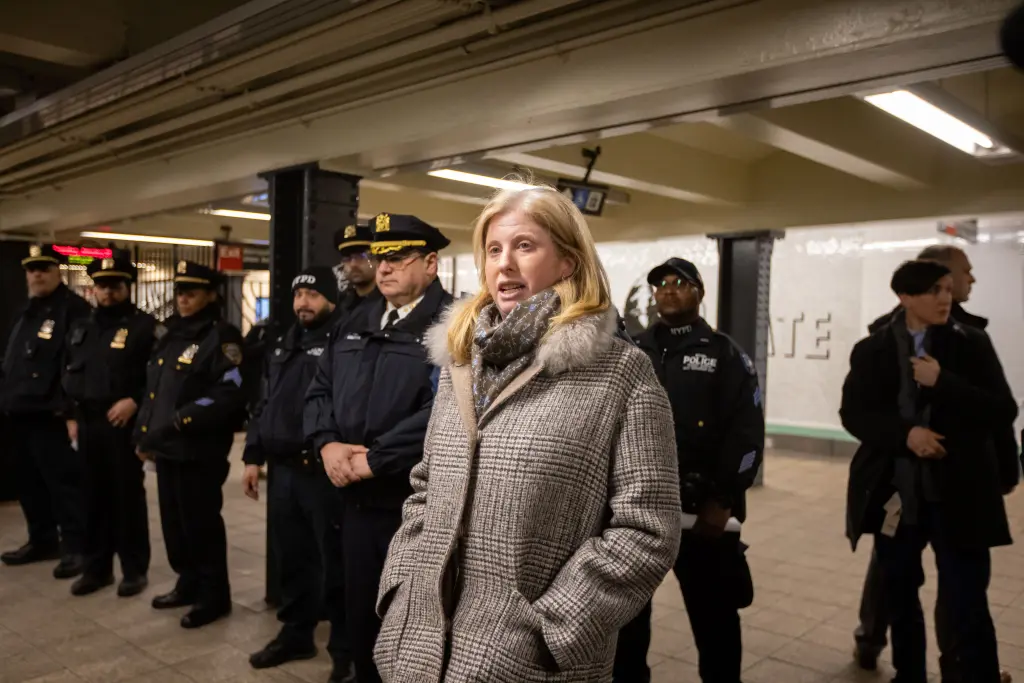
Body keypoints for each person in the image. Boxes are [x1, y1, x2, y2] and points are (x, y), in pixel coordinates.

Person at [373, 189, 683, 682]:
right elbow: (425, 489)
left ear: (567, 261)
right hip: (420, 650)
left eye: (524, 246)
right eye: (494, 250)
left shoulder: (620, 373)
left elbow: (647, 531)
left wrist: (551, 630)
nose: (504, 264)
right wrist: (401, 592)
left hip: (529, 663)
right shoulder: (460, 363)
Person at [842, 260, 1018, 683]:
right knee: (900, 593)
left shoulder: (970, 343)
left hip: (959, 493)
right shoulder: (874, 349)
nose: (945, 298)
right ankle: (910, 674)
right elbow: (854, 413)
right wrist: (906, 435)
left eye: (946, 289)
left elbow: (1003, 409)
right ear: (904, 297)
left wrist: (944, 382)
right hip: (896, 496)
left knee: (966, 598)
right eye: (933, 291)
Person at [305, 213, 454, 683]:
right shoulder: (356, 320)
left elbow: (446, 410)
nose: (384, 268)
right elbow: (319, 390)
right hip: (353, 500)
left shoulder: (454, 323)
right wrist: (327, 444)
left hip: (413, 504)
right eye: (379, 257)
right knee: (362, 611)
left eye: (398, 257)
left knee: (416, 622)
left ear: (430, 264)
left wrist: (373, 459)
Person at [614, 257, 764, 683]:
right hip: (635, 511)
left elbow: (746, 435)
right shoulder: (632, 349)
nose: (669, 290)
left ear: (699, 292)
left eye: (680, 283)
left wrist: (724, 500)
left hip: (702, 515)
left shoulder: (725, 355)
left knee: (715, 622)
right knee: (627, 625)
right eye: (661, 284)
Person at [242, 267, 354, 682]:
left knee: (335, 562)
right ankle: (296, 633)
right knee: (292, 560)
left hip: (322, 472)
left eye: (312, 294)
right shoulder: (283, 342)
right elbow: (264, 402)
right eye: (297, 295)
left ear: (329, 298)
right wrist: (252, 455)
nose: (303, 303)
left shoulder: (344, 340)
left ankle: (345, 650)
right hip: (284, 472)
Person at [134, 261, 247, 629]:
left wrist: (180, 420)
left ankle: (214, 596)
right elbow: (154, 392)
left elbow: (229, 392)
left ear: (210, 295)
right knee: (174, 525)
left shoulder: (223, 337)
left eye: (191, 293)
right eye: (179, 292)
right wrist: (145, 434)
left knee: (201, 526)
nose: (183, 299)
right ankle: (188, 582)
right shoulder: (172, 335)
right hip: (166, 449)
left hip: (199, 450)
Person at [63, 254, 156, 598]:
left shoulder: (144, 326)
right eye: (102, 286)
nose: (108, 292)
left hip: (123, 424)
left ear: (127, 287)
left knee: (126, 499)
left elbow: (158, 379)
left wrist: (135, 400)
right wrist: (70, 414)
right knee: (92, 498)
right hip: (87, 424)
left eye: (115, 286)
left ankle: (134, 569)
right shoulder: (81, 327)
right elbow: (69, 372)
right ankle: (96, 568)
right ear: (94, 288)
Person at [0, 244, 91, 579]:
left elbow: (77, 365)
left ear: (58, 272)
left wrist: (68, 411)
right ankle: (42, 540)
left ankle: (76, 547)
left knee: (64, 485)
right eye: (32, 269)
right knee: (28, 483)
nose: (37, 274)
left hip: (50, 414)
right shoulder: (26, 311)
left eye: (45, 268)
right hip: (19, 411)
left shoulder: (73, 310)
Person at [334, 223, 381, 317]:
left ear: (377, 259)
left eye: (361, 256)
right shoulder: (341, 306)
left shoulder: (389, 303)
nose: (353, 264)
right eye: (347, 258)